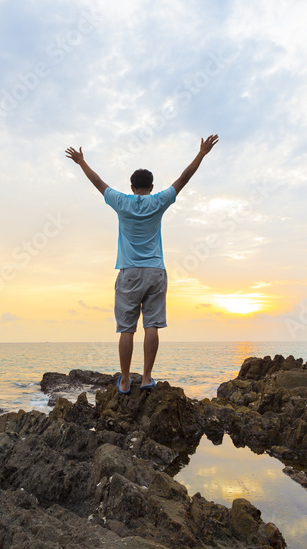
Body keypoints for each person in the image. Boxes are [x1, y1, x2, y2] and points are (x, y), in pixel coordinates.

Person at [64, 135, 219, 394]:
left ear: (131, 186)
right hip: (156, 271)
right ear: (151, 186)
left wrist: (81, 161)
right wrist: (201, 153)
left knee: (127, 329)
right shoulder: (158, 201)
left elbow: (97, 182)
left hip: (129, 272)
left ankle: (125, 380)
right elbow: (183, 179)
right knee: (152, 326)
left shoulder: (121, 202)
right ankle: (146, 377)